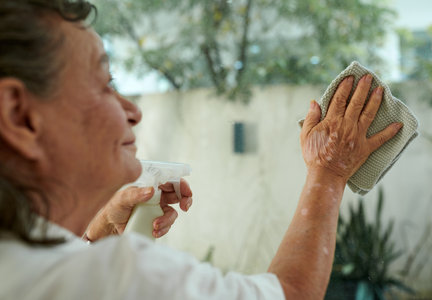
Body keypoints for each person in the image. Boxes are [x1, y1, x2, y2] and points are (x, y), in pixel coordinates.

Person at [0, 0, 403, 299]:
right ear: (19, 116)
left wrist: (99, 233)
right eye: (104, 84)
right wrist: (329, 173)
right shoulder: (124, 278)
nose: (133, 111)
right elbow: (289, 293)